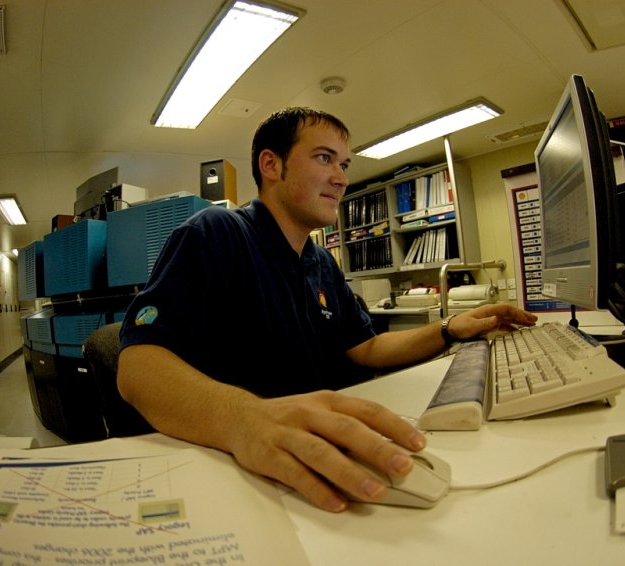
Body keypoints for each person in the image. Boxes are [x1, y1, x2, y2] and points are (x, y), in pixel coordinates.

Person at [117, 107, 538, 512]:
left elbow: (365, 349)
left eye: (345, 165)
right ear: (271, 165)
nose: (341, 179)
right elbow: (136, 366)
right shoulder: (215, 234)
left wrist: (449, 328)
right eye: (324, 159)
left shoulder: (321, 263)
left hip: (324, 452)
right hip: (248, 470)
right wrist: (244, 418)